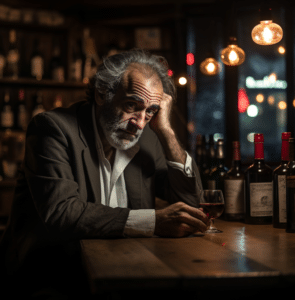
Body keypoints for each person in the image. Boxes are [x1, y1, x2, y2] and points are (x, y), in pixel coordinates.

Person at [0, 49, 208, 299]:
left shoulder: (149, 136)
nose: (140, 123)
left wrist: (165, 130)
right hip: (48, 280)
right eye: (132, 105)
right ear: (101, 94)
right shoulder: (52, 128)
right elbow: (61, 214)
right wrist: (154, 221)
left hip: (123, 269)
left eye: (151, 110)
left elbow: (190, 203)